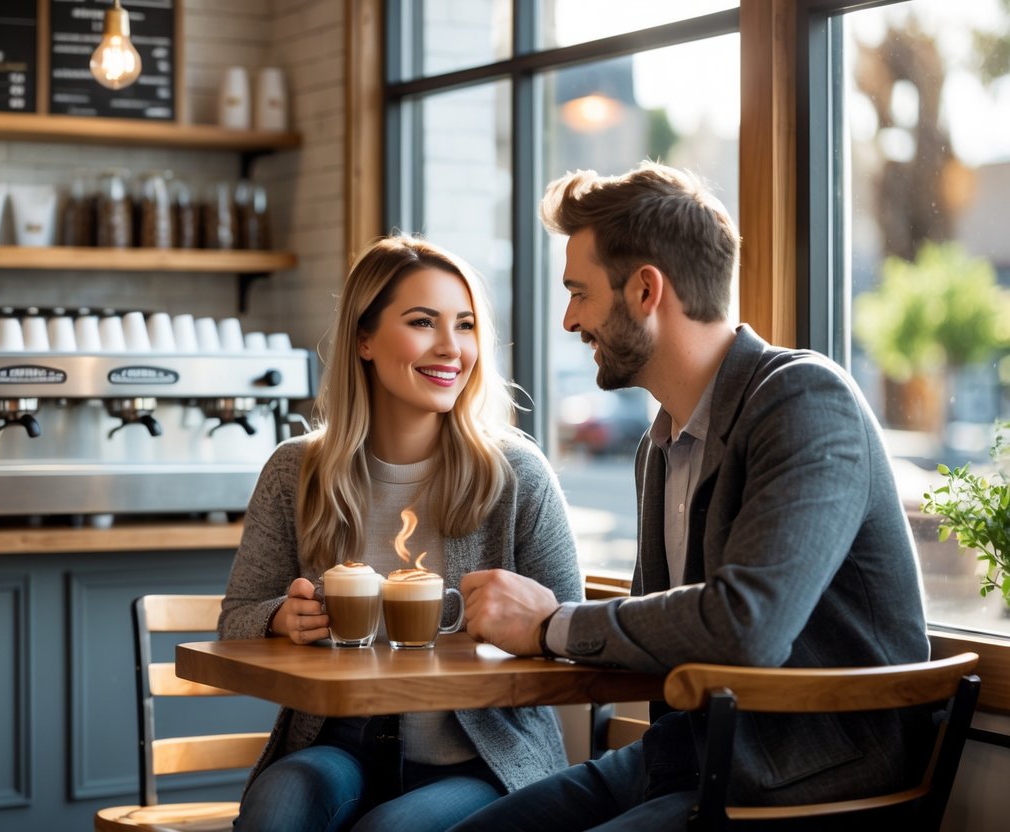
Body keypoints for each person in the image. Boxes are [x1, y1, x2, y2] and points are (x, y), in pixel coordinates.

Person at [452, 161, 932, 831]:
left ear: (645, 290)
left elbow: (746, 627)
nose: (567, 320)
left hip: (813, 781)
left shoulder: (803, 399)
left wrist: (551, 624)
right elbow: (666, 625)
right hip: (699, 755)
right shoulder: (661, 443)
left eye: (578, 292)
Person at [218, 234, 584, 832]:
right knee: (277, 805)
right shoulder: (296, 471)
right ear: (364, 338)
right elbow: (234, 620)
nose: (451, 347)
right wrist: (281, 618)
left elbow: (571, 638)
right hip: (339, 746)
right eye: (423, 322)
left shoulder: (515, 474)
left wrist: (523, 628)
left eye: (465, 326)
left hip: (478, 760)